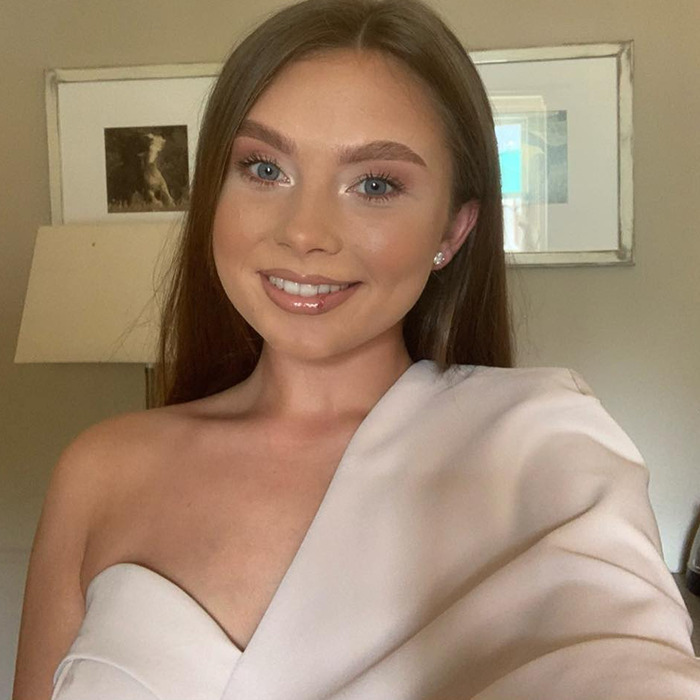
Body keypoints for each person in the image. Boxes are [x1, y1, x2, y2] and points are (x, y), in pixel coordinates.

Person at [12, 0, 700, 698]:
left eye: (375, 183)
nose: (305, 231)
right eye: (264, 169)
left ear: (454, 231)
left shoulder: (539, 450)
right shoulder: (100, 473)